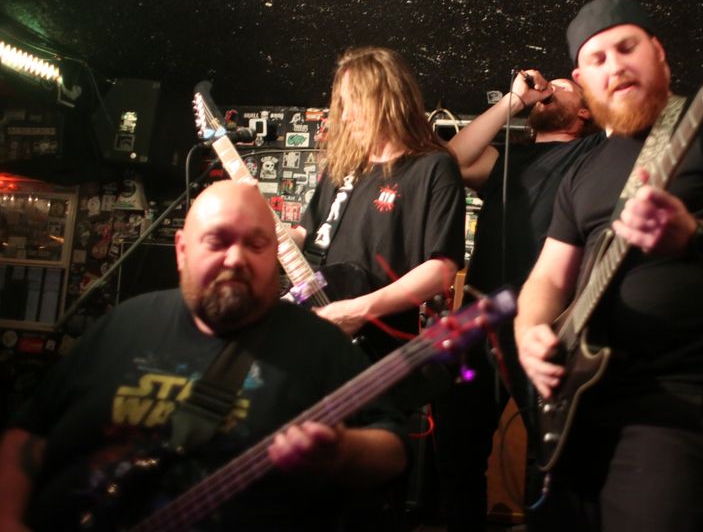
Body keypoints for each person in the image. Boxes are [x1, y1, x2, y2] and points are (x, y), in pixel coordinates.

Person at [514, 0, 703, 530]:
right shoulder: (583, 169)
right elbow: (547, 278)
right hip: (576, 408)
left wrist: (694, 237)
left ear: (658, 53)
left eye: (627, 48)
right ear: (582, 81)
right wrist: (529, 332)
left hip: (677, 408)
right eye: (598, 59)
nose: (615, 65)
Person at [0, 180, 408, 531]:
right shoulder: (123, 324)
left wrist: (343, 451)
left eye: (256, 244)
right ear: (181, 250)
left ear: (275, 255)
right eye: (218, 241)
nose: (236, 258)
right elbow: (28, 433)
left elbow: (393, 448)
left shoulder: (320, 344)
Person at [433, 71, 602, 531]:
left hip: (551, 326)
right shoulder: (510, 157)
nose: (550, 89)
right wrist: (513, 101)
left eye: (565, 87)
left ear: (585, 111)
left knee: (555, 459)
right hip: (481, 321)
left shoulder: (594, 153)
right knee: (457, 451)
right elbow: (453, 161)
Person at [294, 47, 466, 404]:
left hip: (382, 349)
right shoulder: (344, 167)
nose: (346, 115)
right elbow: (307, 234)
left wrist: (358, 310)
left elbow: (441, 270)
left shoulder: (434, 168)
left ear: (386, 98)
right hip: (322, 338)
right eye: (342, 104)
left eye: (353, 102)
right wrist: (263, 234)